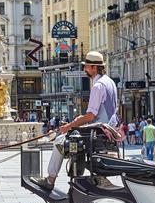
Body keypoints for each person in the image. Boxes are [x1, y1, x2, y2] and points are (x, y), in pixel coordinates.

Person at [33, 51, 118, 191]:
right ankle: (76, 176)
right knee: (70, 136)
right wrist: (78, 121)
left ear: (94, 68)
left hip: (98, 131)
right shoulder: (110, 82)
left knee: (60, 141)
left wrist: (70, 126)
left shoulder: (98, 86)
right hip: (108, 128)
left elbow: (91, 116)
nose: (85, 69)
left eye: (87, 67)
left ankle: (50, 179)